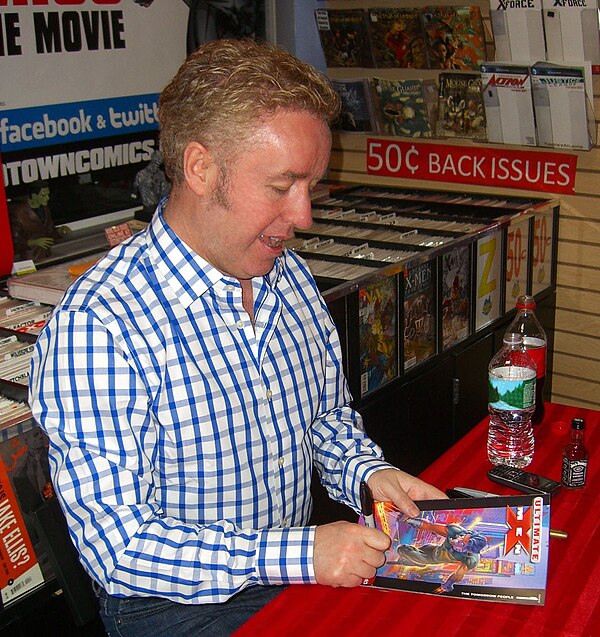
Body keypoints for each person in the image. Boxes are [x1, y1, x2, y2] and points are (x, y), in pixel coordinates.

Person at [29, 38, 446, 637]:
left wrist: (367, 475)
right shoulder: (100, 326)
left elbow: (324, 418)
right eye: (282, 185)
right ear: (201, 168)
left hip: (286, 574)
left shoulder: (286, 273)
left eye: (312, 185)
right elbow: (118, 549)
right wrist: (301, 556)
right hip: (171, 607)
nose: (304, 216)